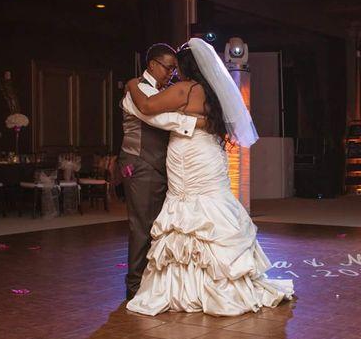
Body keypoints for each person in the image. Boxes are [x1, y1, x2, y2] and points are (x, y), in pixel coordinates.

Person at [125, 38, 293, 316]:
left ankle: (188, 287)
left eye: (176, 67)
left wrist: (131, 85)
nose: (174, 73)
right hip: (209, 155)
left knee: (190, 210)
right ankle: (223, 281)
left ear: (186, 67)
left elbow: (146, 106)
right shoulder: (212, 91)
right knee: (212, 207)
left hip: (189, 155)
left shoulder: (185, 89)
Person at [119, 43, 206, 300]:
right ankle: (134, 288)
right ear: (152, 64)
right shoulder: (138, 92)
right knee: (141, 227)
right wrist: (201, 122)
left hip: (159, 166)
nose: (171, 74)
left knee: (158, 227)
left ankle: (152, 283)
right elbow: (158, 119)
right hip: (140, 164)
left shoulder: (158, 92)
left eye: (174, 70)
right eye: (168, 68)